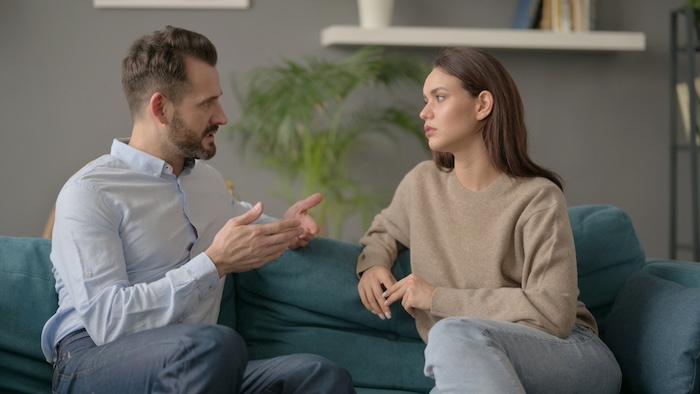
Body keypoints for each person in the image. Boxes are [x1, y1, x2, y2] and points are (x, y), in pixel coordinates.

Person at [41, 25, 354, 394]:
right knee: (214, 344)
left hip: (199, 364)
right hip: (93, 362)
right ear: (160, 108)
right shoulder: (90, 192)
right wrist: (214, 263)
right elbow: (108, 323)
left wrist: (288, 230)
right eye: (207, 103)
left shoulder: (205, 182)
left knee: (317, 375)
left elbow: (239, 223)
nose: (222, 116)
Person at [356, 47, 621, 393]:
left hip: (568, 353)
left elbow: (553, 313)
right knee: (454, 348)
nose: (424, 112)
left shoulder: (537, 198)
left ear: (482, 104)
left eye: (439, 98)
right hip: (476, 359)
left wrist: (436, 297)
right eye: (426, 100)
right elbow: (382, 232)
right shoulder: (422, 184)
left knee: (450, 333)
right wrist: (372, 264)